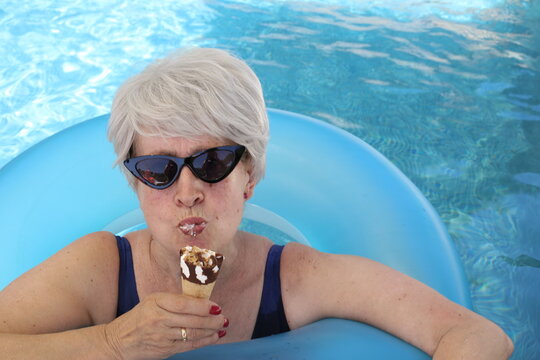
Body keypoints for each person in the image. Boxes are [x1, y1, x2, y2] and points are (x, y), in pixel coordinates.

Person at [0, 48, 513, 359]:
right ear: (135, 185)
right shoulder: (100, 269)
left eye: (213, 162)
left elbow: (474, 333)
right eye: (158, 170)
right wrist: (113, 344)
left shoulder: (295, 280)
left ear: (252, 174)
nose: (187, 192)